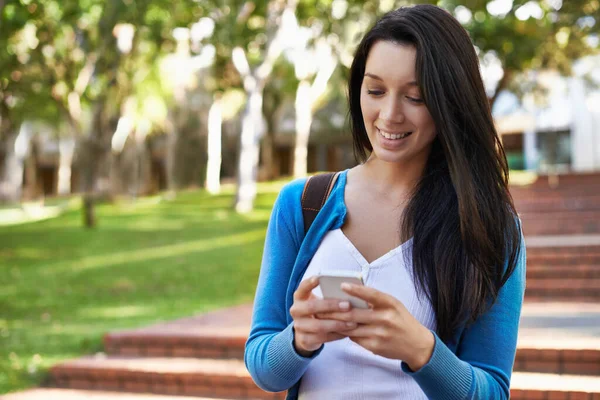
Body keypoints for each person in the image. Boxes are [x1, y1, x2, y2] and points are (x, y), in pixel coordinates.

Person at [245, 4, 526, 400]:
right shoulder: (303, 204)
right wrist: (299, 339)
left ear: (450, 103)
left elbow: (492, 391)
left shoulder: (489, 226)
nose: (389, 115)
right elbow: (263, 367)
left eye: (415, 97)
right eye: (375, 90)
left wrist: (421, 350)